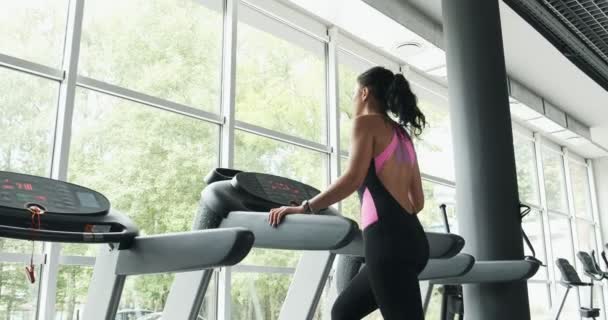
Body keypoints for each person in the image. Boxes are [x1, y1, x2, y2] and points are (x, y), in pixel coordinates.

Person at [269, 66, 429, 319]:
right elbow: (417, 201)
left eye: (354, 93)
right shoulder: (402, 135)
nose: (353, 98)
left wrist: (306, 207)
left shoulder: (365, 123)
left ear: (364, 93)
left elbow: (352, 178)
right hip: (414, 240)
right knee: (344, 311)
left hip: (387, 243)